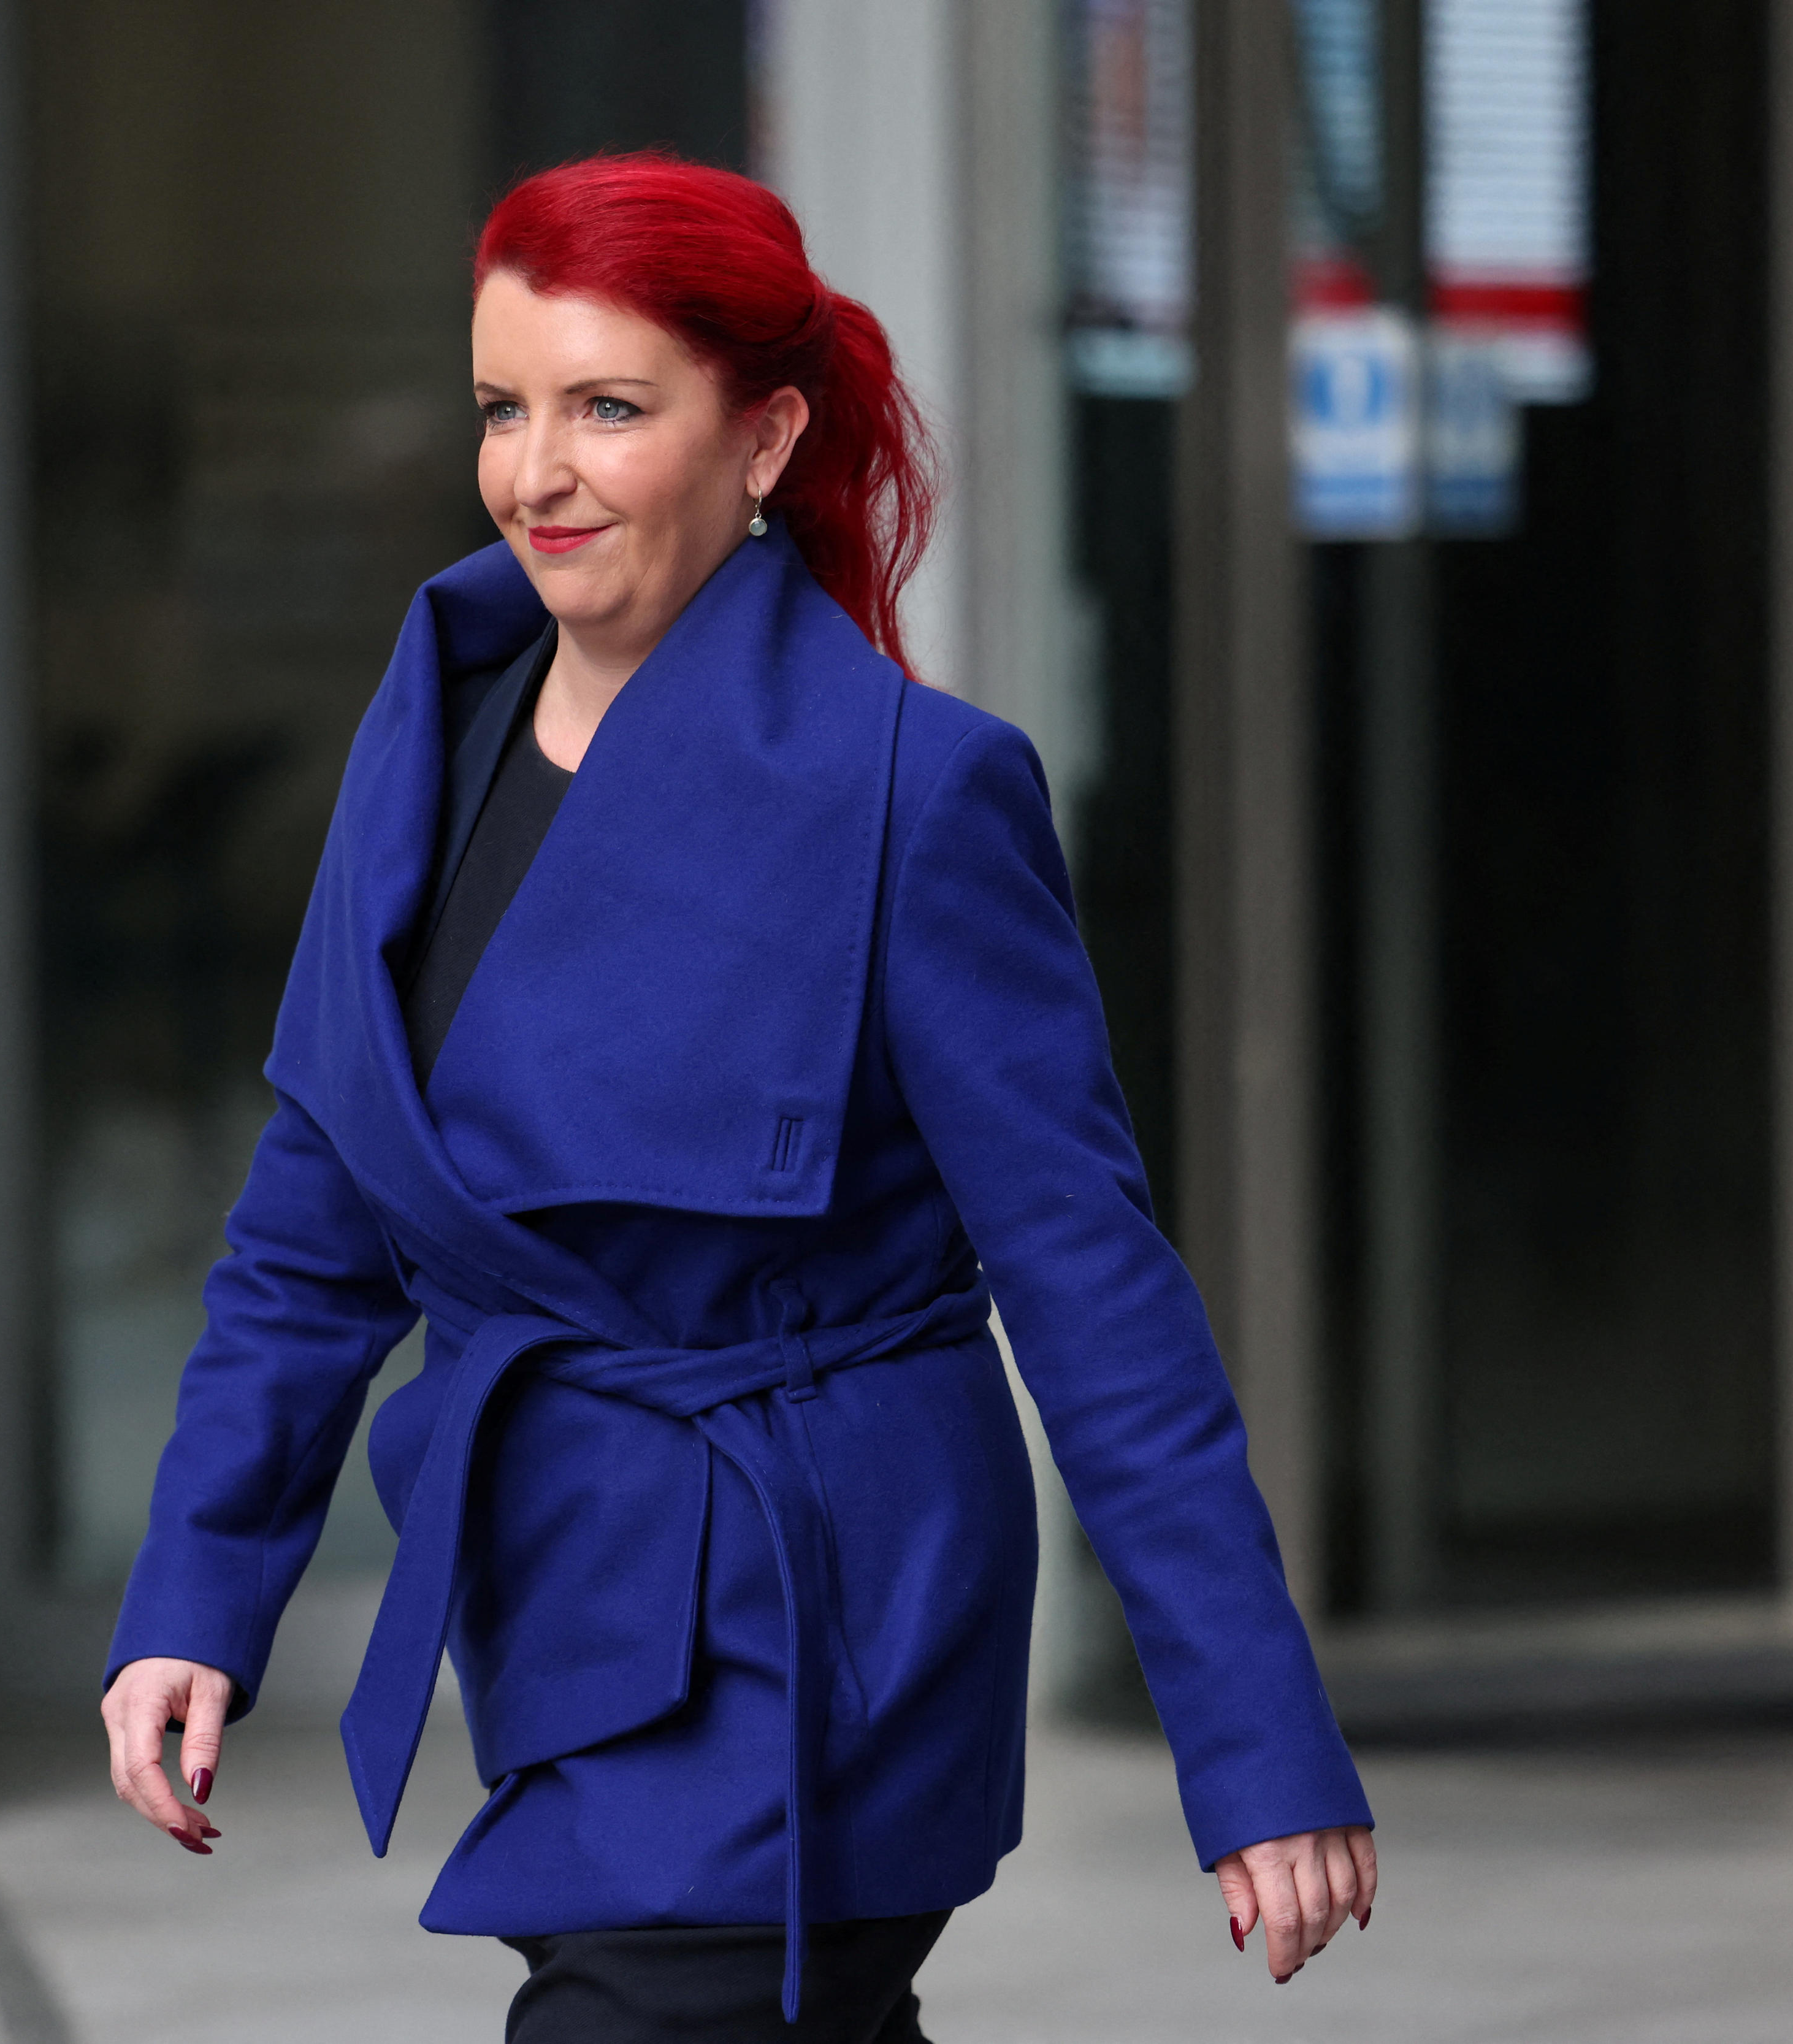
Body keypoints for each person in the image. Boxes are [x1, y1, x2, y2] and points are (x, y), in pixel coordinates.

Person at [99, 151, 1376, 2043]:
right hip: (561, 1607)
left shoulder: (917, 793)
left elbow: (1091, 1285)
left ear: (765, 437)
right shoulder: (434, 729)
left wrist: (1255, 1735)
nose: (538, 472)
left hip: (812, 1626)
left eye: (609, 409)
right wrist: (199, 1587)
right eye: (504, 408)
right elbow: (319, 1222)